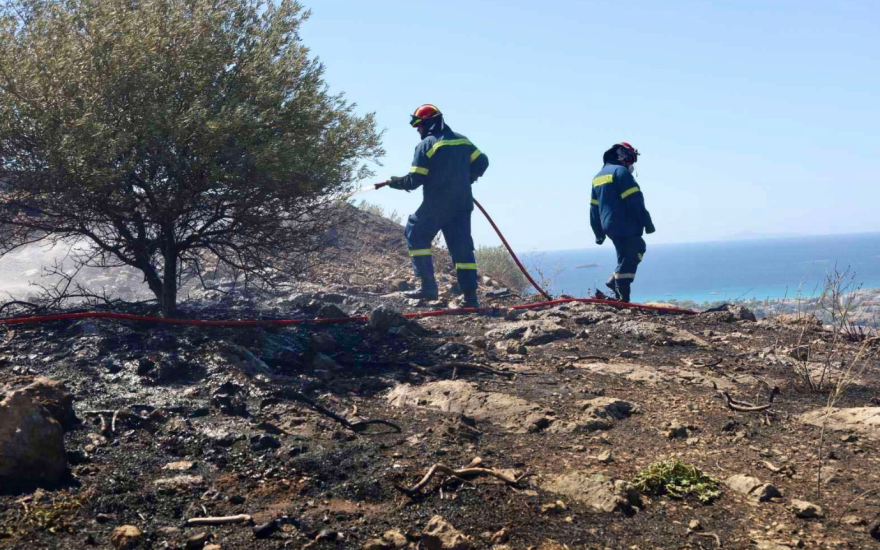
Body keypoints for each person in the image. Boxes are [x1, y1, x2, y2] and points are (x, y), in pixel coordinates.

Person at [386, 104, 489, 308]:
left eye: (419, 125)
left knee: (415, 232)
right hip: (462, 203)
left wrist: (396, 182)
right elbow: (483, 161)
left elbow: (415, 180)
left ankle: (428, 288)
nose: (418, 130)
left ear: (429, 123)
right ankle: (470, 299)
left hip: (438, 203)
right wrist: (469, 178)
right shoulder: (462, 140)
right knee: (462, 249)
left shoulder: (427, 145)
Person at [590, 142, 655, 303]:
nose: (631, 164)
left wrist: (598, 233)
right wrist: (647, 222)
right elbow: (635, 200)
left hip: (609, 226)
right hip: (625, 223)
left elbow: (593, 208)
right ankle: (622, 294)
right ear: (623, 155)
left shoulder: (597, 177)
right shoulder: (620, 172)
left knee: (624, 256)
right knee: (637, 248)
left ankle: (617, 289)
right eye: (631, 159)